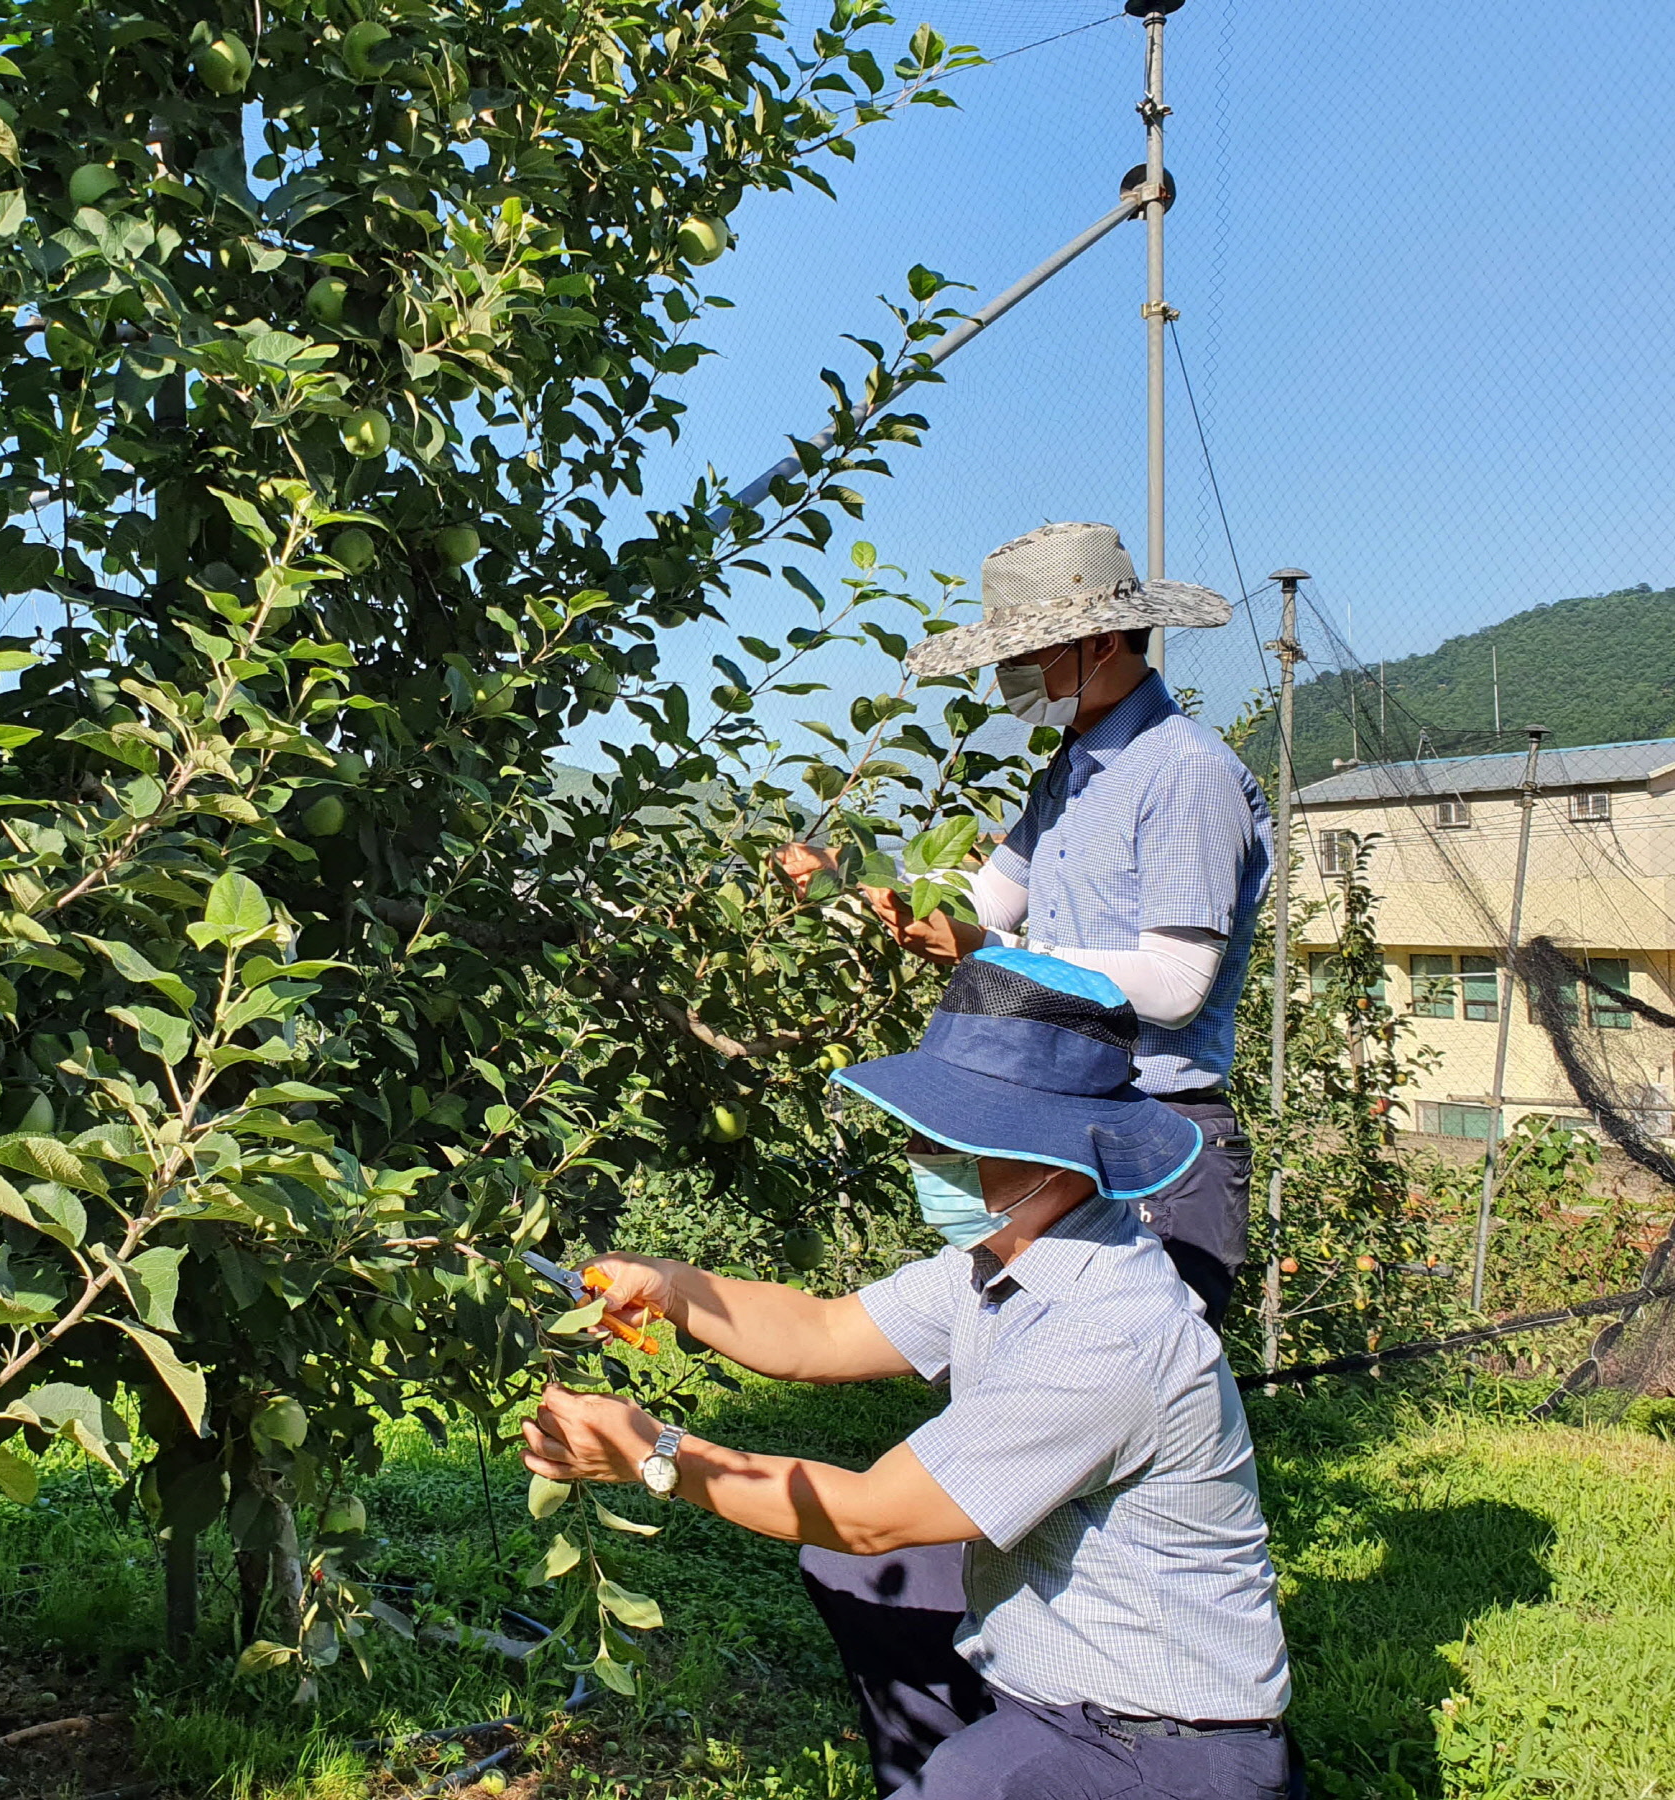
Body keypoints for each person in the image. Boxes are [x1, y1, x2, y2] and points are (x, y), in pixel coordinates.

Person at [523, 950, 1293, 1797]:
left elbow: (867, 1517)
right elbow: (820, 1332)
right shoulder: (1007, 1256)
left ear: (1055, 1150)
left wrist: (651, 1451)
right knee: (853, 1578)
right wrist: (669, 1285)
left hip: (1157, 1744)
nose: (925, 1150)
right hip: (1055, 1689)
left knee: (876, 1583)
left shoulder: (1103, 1334)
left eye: (956, 1132)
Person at [779, 521, 1271, 1322]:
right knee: (1035, 1372)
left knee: (1133, 1395)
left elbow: (1178, 985)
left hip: (1157, 1133)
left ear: (1103, 641)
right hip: (1067, 1123)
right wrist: (853, 881)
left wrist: (994, 952)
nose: (1009, 675)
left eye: (1024, 654)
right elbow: (981, 902)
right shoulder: (1074, 773)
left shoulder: (1183, 773)